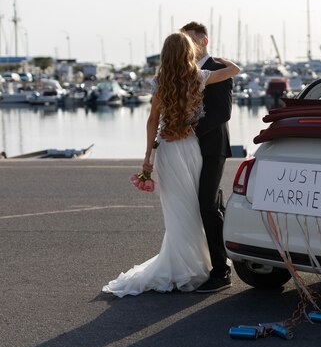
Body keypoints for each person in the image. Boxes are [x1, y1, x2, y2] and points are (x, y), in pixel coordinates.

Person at [102, 32, 240, 297]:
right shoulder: (199, 77)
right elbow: (235, 70)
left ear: (165, 55)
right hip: (191, 147)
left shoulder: (159, 81)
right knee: (195, 207)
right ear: (189, 52)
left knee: (177, 212)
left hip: (167, 150)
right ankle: (204, 265)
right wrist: (223, 59)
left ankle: (181, 265)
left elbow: (152, 120)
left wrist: (147, 156)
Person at [179, 21, 235, 293]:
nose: (187, 45)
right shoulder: (186, 71)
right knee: (202, 204)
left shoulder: (217, 69)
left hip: (212, 147)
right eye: (183, 40)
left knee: (206, 206)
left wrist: (189, 129)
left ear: (204, 41)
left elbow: (222, 113)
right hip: (187, 150)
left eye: (191, 39)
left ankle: (222, 272)